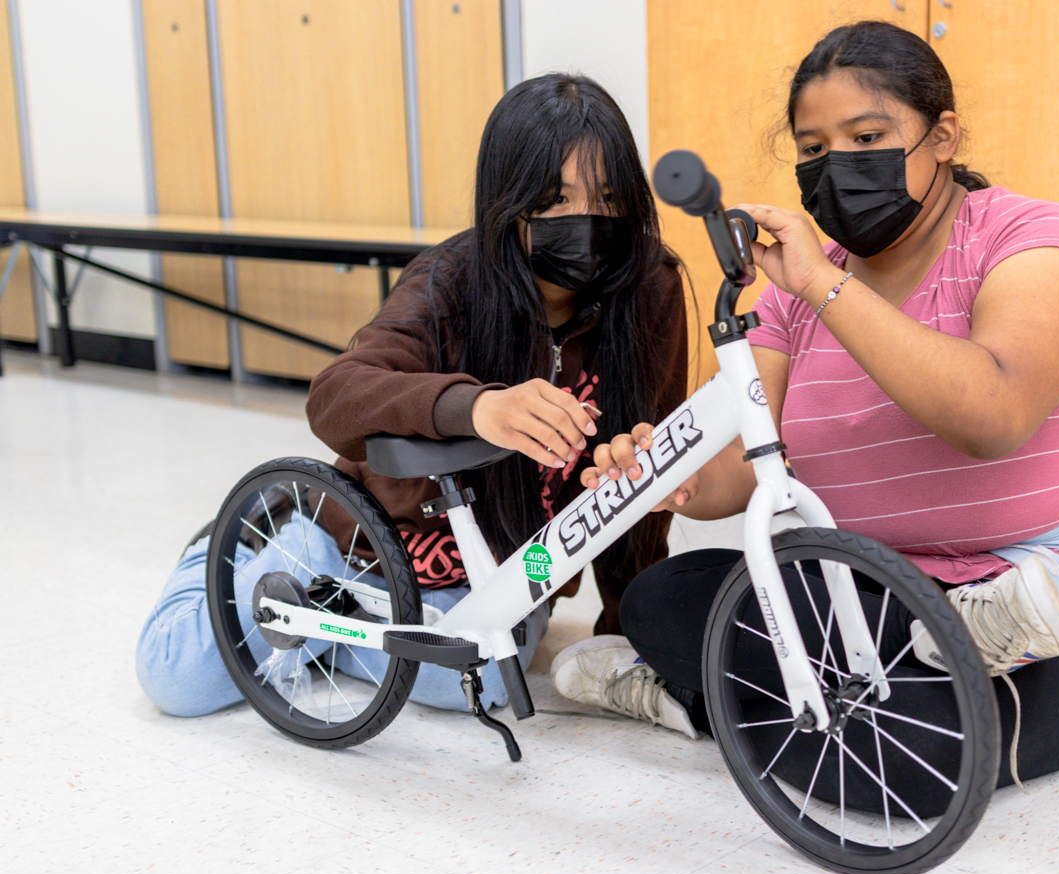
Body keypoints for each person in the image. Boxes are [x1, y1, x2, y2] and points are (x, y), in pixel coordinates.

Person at [552, 22, 1059, 798]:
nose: (834, 165)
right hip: (869, 591)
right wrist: (661, 473)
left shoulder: (1032, 239)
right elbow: (736, 476)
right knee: (664, 596)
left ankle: (703, 700)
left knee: (910, 763)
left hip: (1044, 601)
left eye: (867, 135)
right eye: (812, 149)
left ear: (941, 135)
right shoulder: (789, 295)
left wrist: (824, 285)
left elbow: (995, 410)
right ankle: (894, 658)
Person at [136, 74, 689, 720]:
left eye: (608, 196)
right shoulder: (450, 281)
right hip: (357, 543)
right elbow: (335, 396)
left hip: (502, 575)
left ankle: (318, 625)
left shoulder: (650, 288)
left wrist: (622, 622)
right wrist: (479, 407)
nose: (585, 222)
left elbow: (641, 468)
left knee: (484, 682)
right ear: (509, 205)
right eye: (555, 200)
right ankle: (238, 552)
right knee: (176, 676)